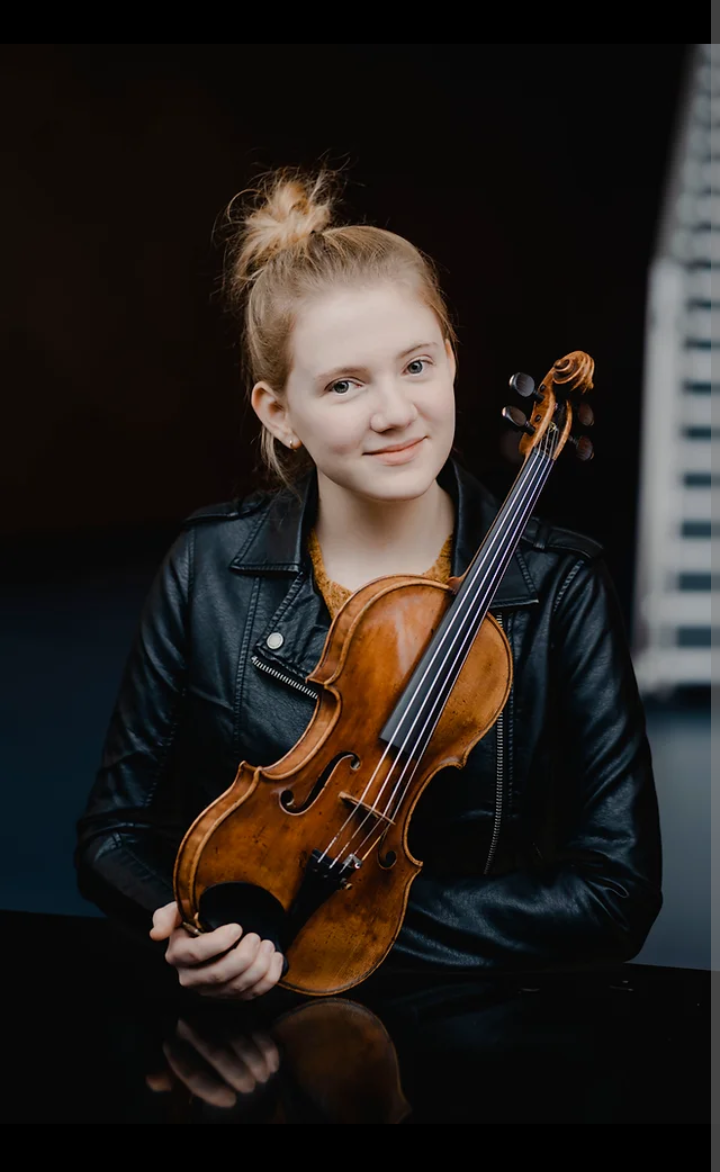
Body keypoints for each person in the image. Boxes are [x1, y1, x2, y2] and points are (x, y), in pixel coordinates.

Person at [75, 166, 663, 1002]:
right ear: (279, 412)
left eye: (416, 365)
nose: (394, 411)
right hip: (247, 1028)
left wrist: (313, 919)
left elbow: (615, 891)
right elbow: (115, 833)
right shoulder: (206, 565)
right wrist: (186, 925)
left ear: (451, 360)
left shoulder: (561, 586)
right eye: (344, 384)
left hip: (480, 1035)